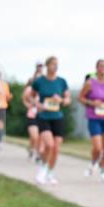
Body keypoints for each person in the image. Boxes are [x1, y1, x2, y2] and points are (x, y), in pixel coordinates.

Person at [32, 56, 71, 185]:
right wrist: (38, 104)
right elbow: (30, 96)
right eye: (53, 64)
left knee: (56, 148)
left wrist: (61, 100)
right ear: (47, 65)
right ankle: (43, 169)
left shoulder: (62, 82)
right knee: (49, 145)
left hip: (57, 117)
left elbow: (67, 99)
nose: (55, 66)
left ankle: (50, 172)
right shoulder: (39, 81)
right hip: (43, 117)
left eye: (57, 64)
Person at [22, 63, 45, 162]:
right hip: (32, 115)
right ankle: (33, 150)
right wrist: (28, 105)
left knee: (40, 136)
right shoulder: (29, 89)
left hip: (42, 115)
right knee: (34, 136)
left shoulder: (44, 89)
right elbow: (24, 98)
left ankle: (37, 153)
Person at [0, 70, 11, 155]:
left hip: (2, 106)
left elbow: (7, 96)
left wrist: (9, 97)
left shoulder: (5, 84)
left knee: (0, 125)